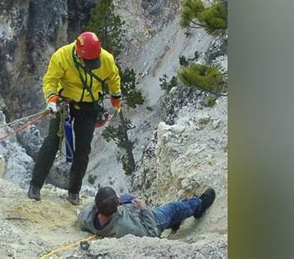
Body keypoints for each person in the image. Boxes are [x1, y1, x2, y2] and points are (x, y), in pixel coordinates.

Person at [28, 32, 122, 205]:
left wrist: (116, 98)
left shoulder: (106, 59)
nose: (91, 65)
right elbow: (50, 80)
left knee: (83, 148)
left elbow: (113, 77)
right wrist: (51, 99)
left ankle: (74, 191)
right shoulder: (62, 57)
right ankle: (35, 185)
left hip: (88, 104)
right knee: (52, 142)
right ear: (79, 54)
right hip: (64, 102)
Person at [77, 187, 216, 238]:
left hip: (127, 211)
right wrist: (143, 209)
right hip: (151, 220)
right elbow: (152, 233)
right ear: (117, 205)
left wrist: (122, 202)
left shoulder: (86, 216)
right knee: (174, 208)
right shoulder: (124, 226)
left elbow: (92, 208)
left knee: (129, 197)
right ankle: (200, 205)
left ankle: (175, 222)